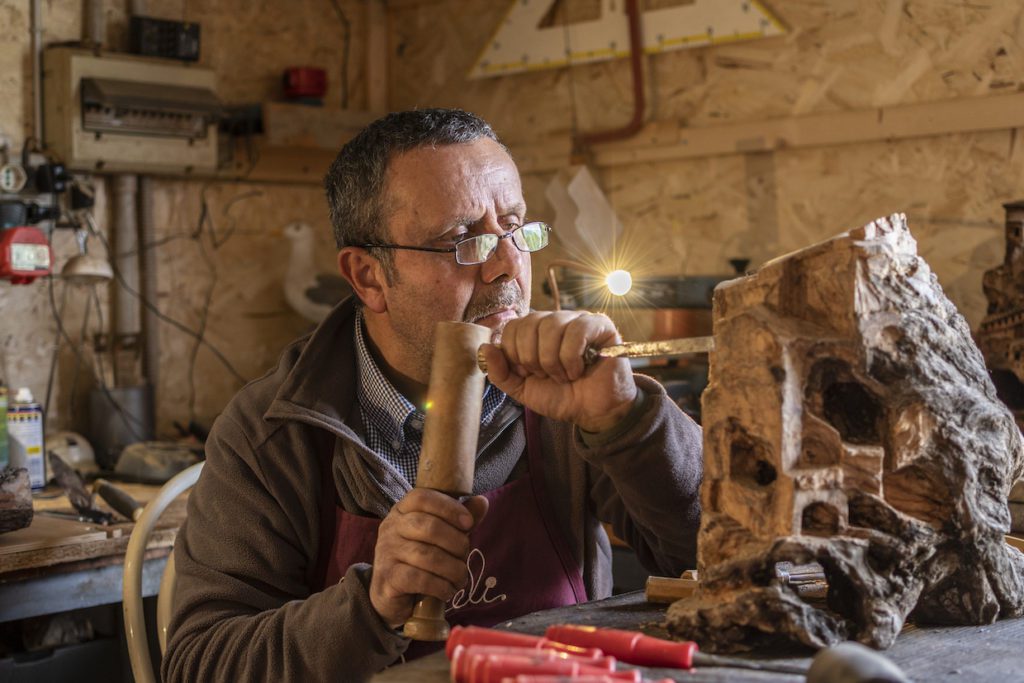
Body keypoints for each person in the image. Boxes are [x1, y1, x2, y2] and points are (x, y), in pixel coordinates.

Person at [162, 108, 702, 683]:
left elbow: (731, 559)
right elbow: (201, 666)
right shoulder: (272, 434)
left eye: (515, 228)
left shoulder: (568, 390)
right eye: (463, 241)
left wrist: (629, 422)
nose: (507, 268)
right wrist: (369, 606)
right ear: (369, 276)